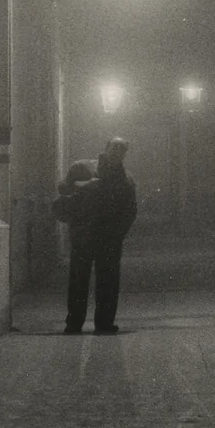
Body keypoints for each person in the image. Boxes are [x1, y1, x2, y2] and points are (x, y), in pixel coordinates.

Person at [59, 138, 136, 334]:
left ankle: (102, 323)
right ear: (106, 148)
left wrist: (118, 233)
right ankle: (76, 323)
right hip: (85, 234)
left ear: (124, 154)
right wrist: (86, 185)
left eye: (121, 150)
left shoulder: (126, 179)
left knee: (105, 282)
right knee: (80, 280)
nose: (117, 153)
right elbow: (63, 189)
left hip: (107, 238)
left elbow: (130, 210)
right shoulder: (82, 168)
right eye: (114, 148)